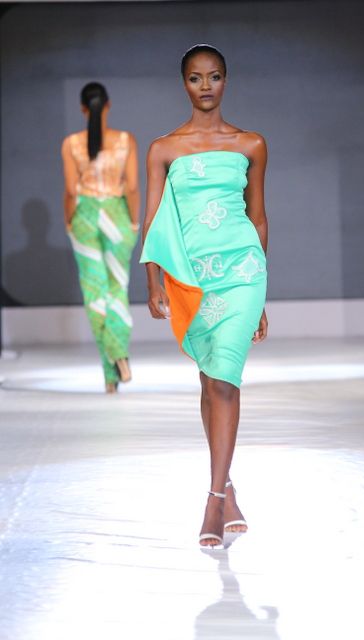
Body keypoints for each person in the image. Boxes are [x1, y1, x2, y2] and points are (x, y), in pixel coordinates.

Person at [141, 45, 268, 548]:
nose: (206, 86)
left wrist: (262, 295)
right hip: (191, 278)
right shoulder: (163, 149)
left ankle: (214, 500)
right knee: (208, 379)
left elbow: (258, 218)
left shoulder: (250, 144)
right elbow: (153, 218)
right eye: (196, 78)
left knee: (226, 381)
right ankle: (229, 486)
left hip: (242, 274)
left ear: (226, 80)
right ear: (185, 84)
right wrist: (153, 280)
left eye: (214, 77)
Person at [61, 82, 140, 393]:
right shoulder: (125, 140)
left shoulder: (71, 144)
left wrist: (69, 221)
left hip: (85, 216)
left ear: (83, 109)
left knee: (95, 291)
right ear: (108, 105)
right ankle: (118, 351)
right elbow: (131, 187)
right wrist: (133, 222)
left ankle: (110, 374)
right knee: (117, 287)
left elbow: (71, 191)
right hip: (117, 215)